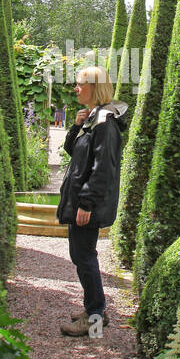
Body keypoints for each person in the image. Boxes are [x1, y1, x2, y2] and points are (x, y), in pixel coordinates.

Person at [56, 66, 128, 338]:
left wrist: (86, 203)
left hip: (87, 204)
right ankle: (95, 309)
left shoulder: (105, 123)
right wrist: (76, 126)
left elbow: (103, 170)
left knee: (84, 256)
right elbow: (73, 151)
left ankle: (95, 315)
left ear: (94, 87)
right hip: (81, 200)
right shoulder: (93, 118)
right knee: (82, 254)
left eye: (80, 84)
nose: (76, 88)